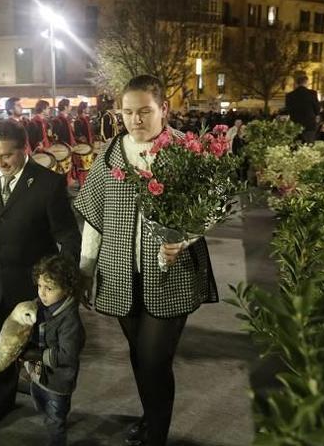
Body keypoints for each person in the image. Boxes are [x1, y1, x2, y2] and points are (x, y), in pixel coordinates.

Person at [74, 75, 218, 446]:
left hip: (171, 275)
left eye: (145, 111)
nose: (136, 120)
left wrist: (186, 238)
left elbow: (211, 208)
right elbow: (94, 220)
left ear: (163, 110)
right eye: (128, 112)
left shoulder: (187, 149)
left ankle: (157, 435)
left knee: (155, 360)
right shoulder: (108, 155)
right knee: (139, 357)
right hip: (120, 273)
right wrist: (84, 273)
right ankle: (150, 415)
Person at [0, 119, 81, 428]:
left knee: (40, 349)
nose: (0, 162)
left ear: (25, 150)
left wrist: (63, 278)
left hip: (37, 286)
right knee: (2, 344)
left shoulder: (47, 183)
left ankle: (51, 405)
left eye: (6, 155)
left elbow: (68, 235)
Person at [21, 255, 85, 446]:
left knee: (55, 419)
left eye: (49, 288)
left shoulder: (69, 321)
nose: (42, 293)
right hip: (38, 375)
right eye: (40, 286)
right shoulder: (39, 306)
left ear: (67, 289)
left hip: (58, 382)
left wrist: (37, 355)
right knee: (41, 406)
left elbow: (68, 354)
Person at [285, 74, 321, 143]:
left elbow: (288, 109)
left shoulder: (289, 95)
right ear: (306, 82)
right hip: (309, 124)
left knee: (295, 146)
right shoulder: (312, 93)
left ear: (297, 83)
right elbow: (317, 109)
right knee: (308, 145)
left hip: (295, 124)